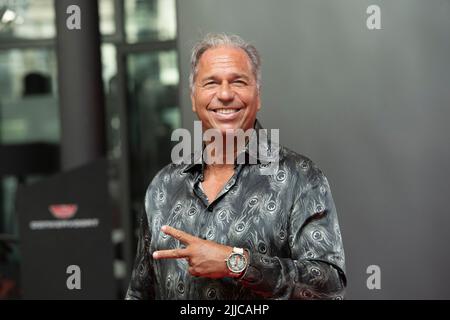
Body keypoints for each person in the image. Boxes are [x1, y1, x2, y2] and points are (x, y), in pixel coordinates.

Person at [125, 33, 346, 300]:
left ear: (258, 95)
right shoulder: (164, 185)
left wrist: (235, 262)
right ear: (194, 98)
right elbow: (139, 293)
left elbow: (329, 289)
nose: (226, 94)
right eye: (211, 83)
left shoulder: (300, 179)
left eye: (238, 82)